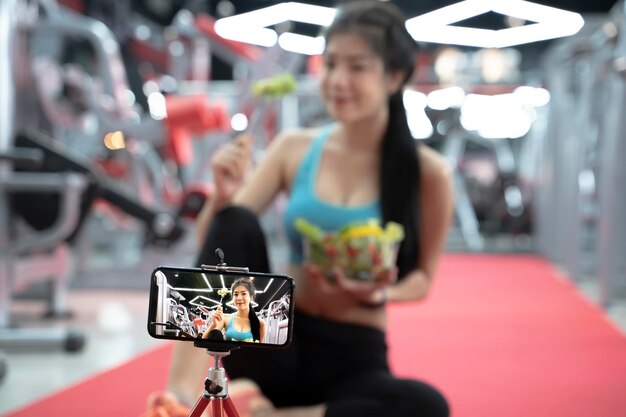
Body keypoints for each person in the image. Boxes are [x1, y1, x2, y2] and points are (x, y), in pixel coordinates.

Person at [160, 1, 455, 416]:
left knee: (425, 406)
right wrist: (222, 198)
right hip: (275, 337)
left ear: (393, 76)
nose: (337, 80)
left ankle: (276, 415)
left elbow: (423, 279)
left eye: (356, 67)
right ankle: (175, 401)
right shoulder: (294, 148)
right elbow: (219, 243)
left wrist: (378, 290)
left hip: (353, 355)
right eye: (330, 64)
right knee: (236, 218)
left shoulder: (428, 173)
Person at [203, 278, 266, 343]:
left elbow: (260, 348)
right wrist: (213, 324)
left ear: (251, 297)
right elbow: (203, 340)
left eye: (243, 293)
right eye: (236, 294)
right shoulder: (225, 318)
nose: (239, 298)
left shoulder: (260, 323)